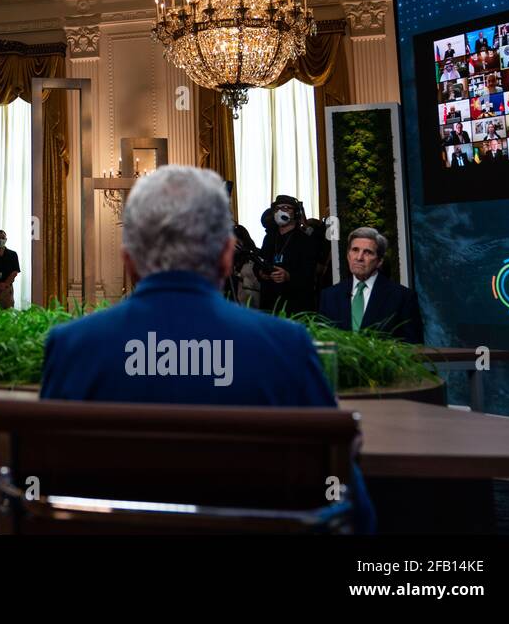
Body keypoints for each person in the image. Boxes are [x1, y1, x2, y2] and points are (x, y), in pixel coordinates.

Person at [40, 166, 374, 532]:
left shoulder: (72, 348)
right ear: (226, 256)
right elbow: (350, 511)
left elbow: (44, 488)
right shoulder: (287, 348)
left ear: (128, 260)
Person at [318, 228, 423, 343]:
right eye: (355, 250)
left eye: (367, 252)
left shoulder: (402, 297)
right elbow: (324, 343)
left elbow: (413, 347)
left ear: (379, 261)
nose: (359, 258)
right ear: (348, 256)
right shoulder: (329, 296)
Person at [257, 195, 319, 315]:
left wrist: (288, 276)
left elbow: (310, 272)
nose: (281, 211)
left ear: (295, 213)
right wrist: (261, 273)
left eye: (286, 208)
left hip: (295, 303)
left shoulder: (306, 239)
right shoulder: (269, 238)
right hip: (270, 303)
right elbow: (260, 261)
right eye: (277, 208)